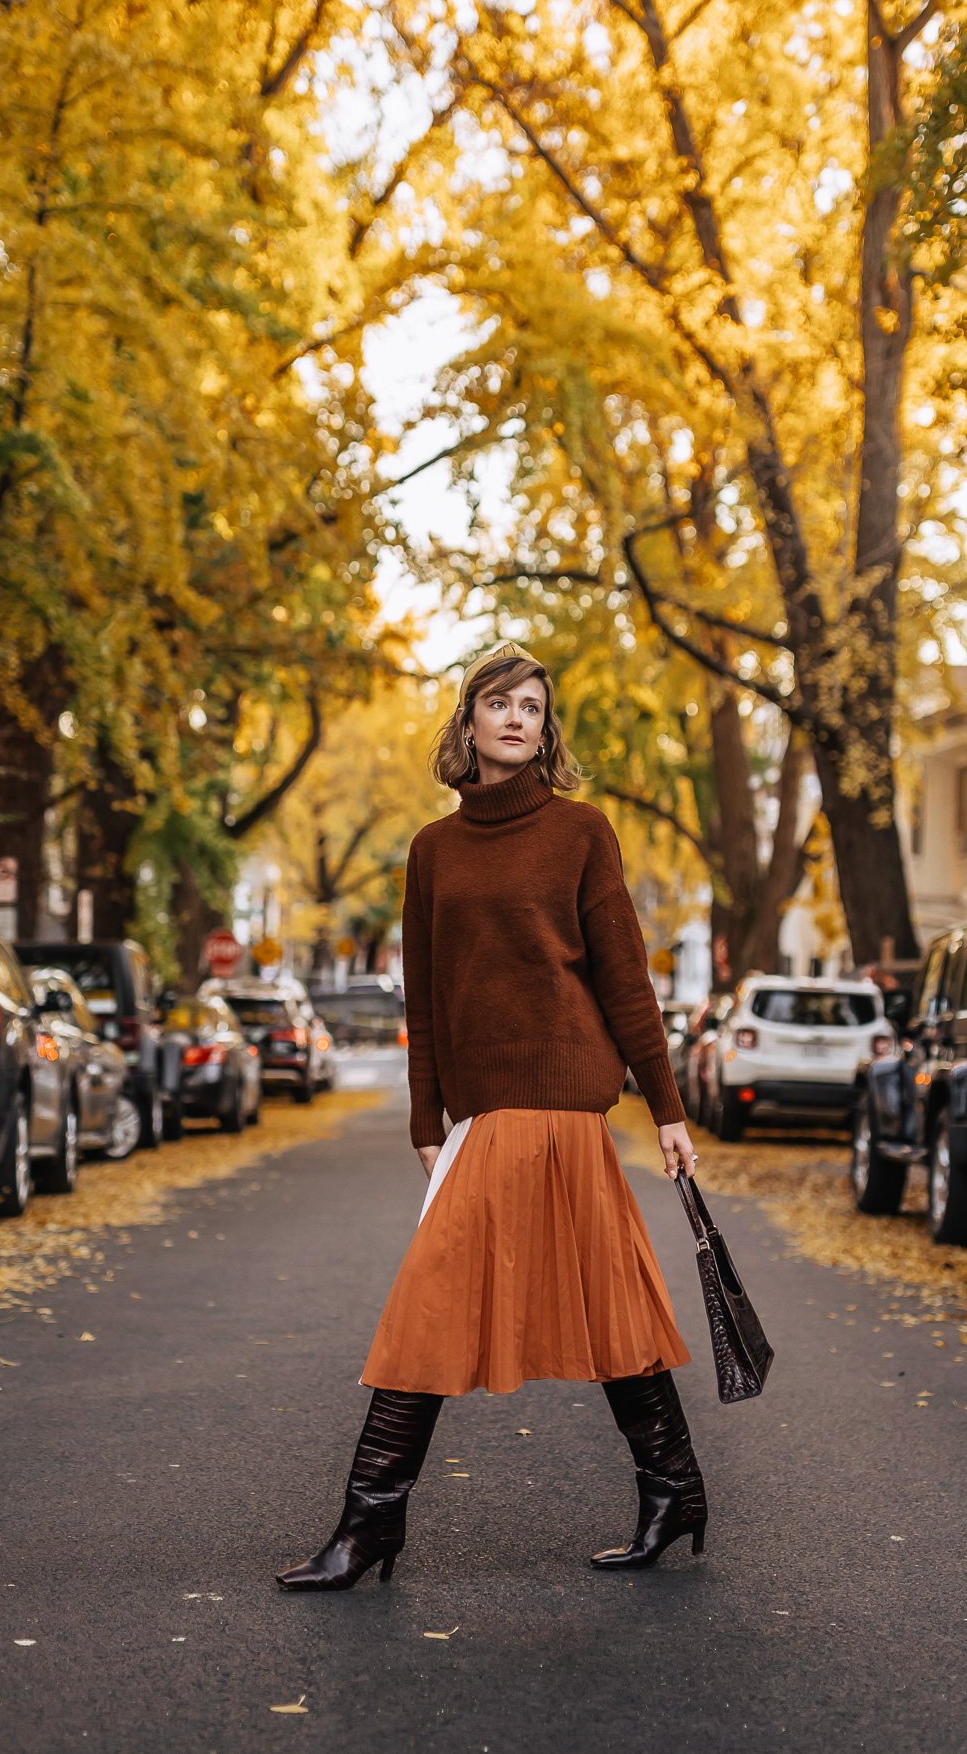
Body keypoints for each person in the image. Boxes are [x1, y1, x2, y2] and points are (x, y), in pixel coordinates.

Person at [276, 644, 704, 1592]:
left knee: (580, 1302)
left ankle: (374, 1525)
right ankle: (670, 1489)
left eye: (535, 708)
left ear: (546, 732)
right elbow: (423, 1001)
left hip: (564, 1105)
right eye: (502, 702)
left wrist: (667, 1108)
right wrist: (426, 1118)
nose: (519, 718)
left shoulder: (582, 832)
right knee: (477, 1304)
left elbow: (626, 980)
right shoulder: (433, 851)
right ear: (468, 719)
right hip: (481, 1117)